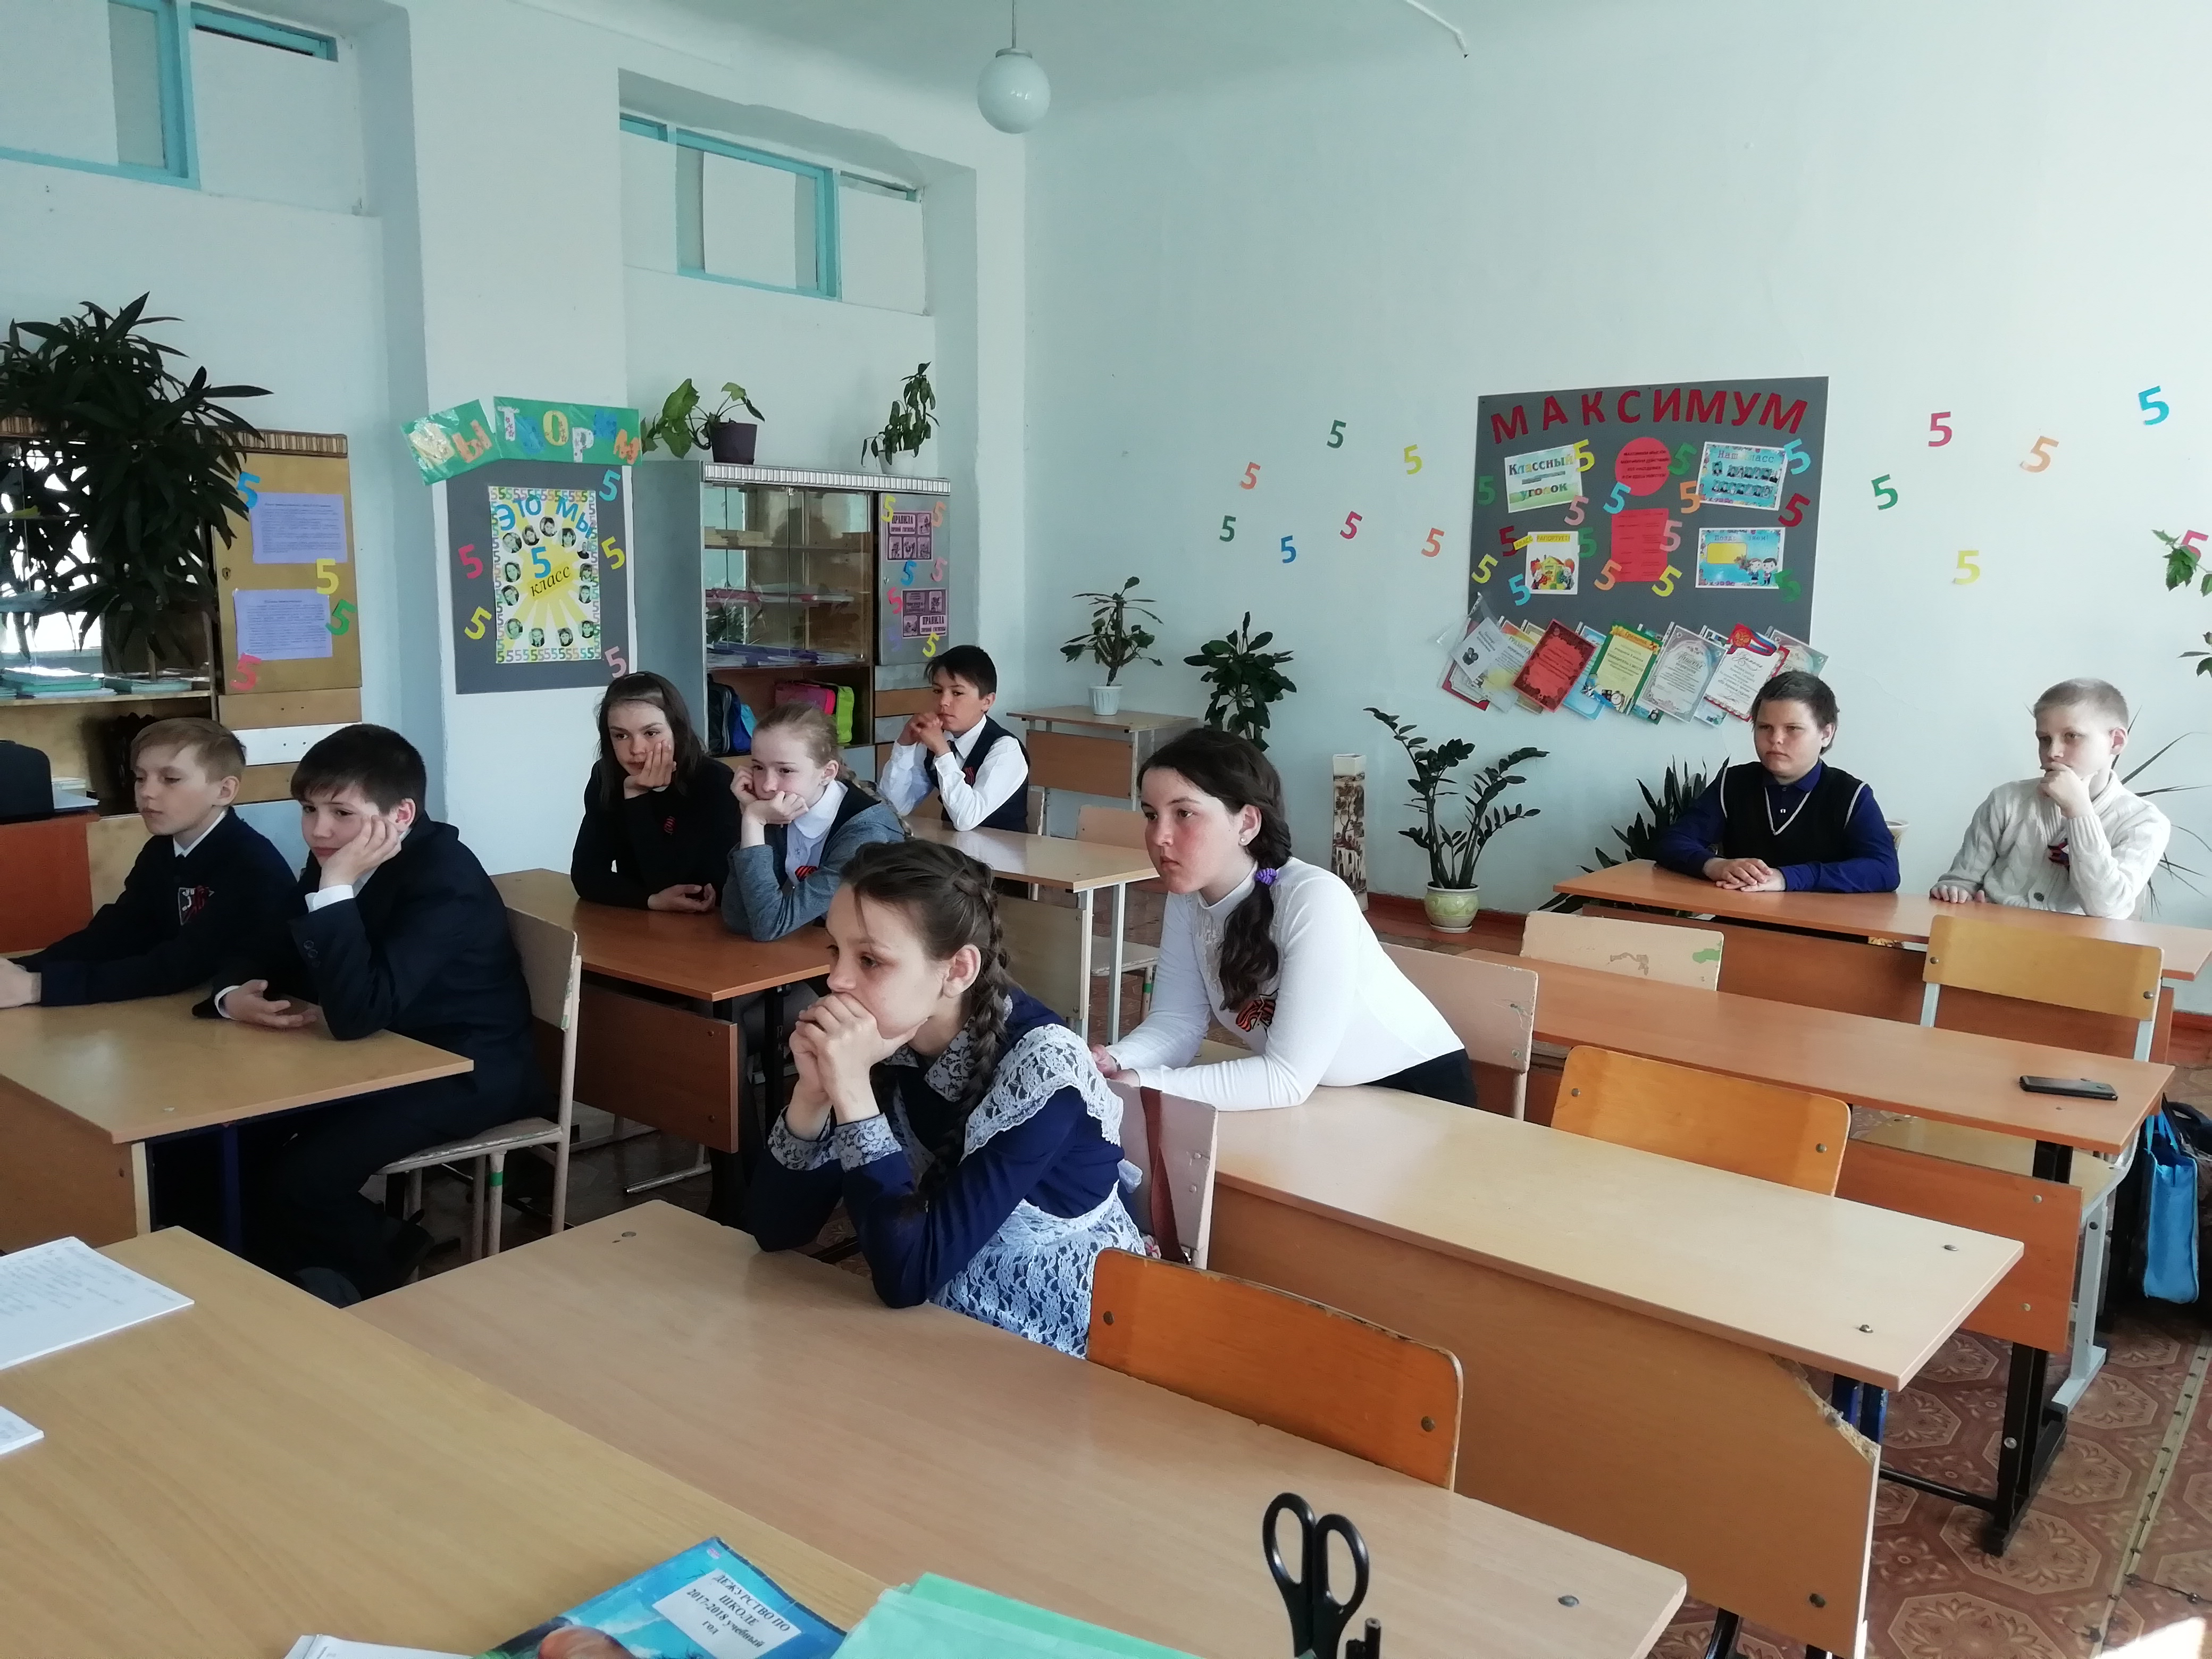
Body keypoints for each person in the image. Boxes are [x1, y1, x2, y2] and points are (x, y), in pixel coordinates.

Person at [749, 839, 1143, 1356]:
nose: (836, 980)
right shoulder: (890, 1037)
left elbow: (906, 1277)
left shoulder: (1044, 1071)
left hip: (1070, 1350)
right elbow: (776, 1230)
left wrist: (852, 1091)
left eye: (869, 960)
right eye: (835, 951)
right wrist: (813, 1095)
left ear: (957, 971)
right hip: (944, 1329)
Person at [199, 724, 538, 1302]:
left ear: (400, 815)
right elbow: (274, 946)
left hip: (465, 1068)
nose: (318, 830)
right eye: (309, 809)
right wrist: (232, 995)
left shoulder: (444, 879)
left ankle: (378, 1280)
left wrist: (335, 887)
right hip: (380, 1054)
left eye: (341, 813)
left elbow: (360, 1012)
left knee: (303, 1178)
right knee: (215, 1144)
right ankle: (287, 1274)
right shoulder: (337, 856)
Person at [1093, 727, 1469, 1111]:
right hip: (1328, 1097)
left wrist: (1144, 1082)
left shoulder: (1314, 899)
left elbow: (1286, 1079)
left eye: (1184, 813)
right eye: (1151, 815)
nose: (1160, 836)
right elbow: (1177, 1022)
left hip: (1418, 1098)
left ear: (1247, 823)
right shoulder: (1187, 898)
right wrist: (1115, 1061)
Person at [0, 718, 291, 1008]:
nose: (146, 792)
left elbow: (181, 964)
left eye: (171, 779)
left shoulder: (252, 866)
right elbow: (120, 931)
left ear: (224, 791)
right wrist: (24, 967)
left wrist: (39, 986)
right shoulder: (161, 849)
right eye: (140, 778)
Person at [1932, 677, 2171, 918]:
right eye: (2044, 739)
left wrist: (2080, 812)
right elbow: (1961, 881)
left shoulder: (2144, 822)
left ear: (2116, 741)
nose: (2052, 752)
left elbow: (2107, 907)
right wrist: (1956, 892)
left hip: (2076, 941)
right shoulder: (2006, 800)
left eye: (2072, 736)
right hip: (1995, 930)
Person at [1653, 671, 1899, 893]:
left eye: (1793, 728)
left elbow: (1884, 869)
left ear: (1826, 734)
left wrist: (1787, 878)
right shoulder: (1733, 783)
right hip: (1742, 919)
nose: (1776, 739)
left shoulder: (1851, 795)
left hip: (1821, 925)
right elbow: (1673, 842)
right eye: (1765, 727)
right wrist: (1714, 865)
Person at [723, 700, 903, 941]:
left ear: (827, 773)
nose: (767, 785)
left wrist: (754, 821)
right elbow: (739, 917)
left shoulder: (864, 833)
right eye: (758, 767)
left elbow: (769, 925)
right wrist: (756, 824)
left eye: (785, 770)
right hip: (831, 945)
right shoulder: (782, 808)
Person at [570, 672, 737, 911]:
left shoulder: (713, 781)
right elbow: (586, 875)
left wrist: (637, 800)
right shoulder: (606, 775)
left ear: (677, 731)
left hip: (708, 923)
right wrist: (650, 901)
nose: (636, 749)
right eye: (621, 736)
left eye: (651, 733)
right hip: (642, 919)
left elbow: (674, 884)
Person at [876, 645, 1029, 831]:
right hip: (954, 845)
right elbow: (895, 807)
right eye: (937, 691)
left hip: (1005, 846)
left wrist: (942, 752)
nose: (943, 702)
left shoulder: (1005, 749)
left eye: (957, 693)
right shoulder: (937, 740)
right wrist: (905, 746)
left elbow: (966, 819)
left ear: (987, 701)